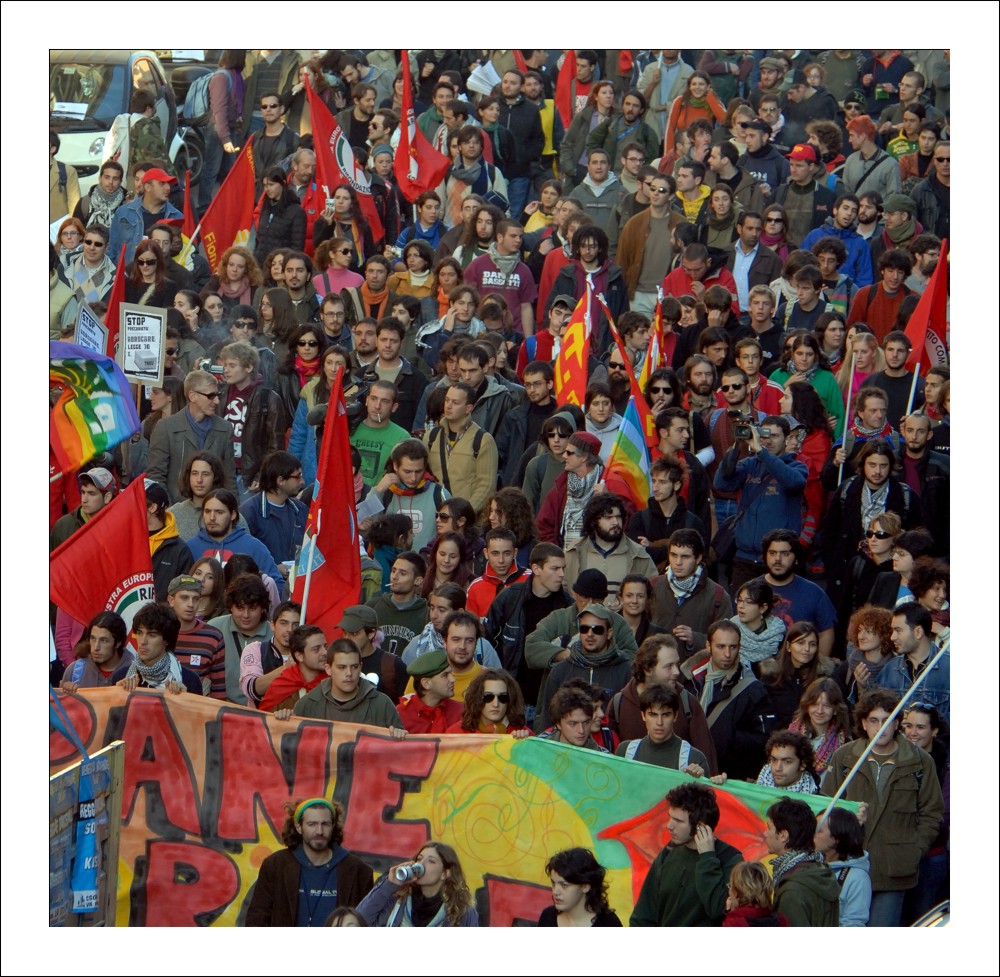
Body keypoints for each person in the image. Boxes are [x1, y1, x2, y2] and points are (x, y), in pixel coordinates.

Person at [821, 689, 943, 927]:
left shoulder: (919, 761)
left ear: (897, 723)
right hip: (848, 866)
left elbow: (932, 812)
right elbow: (825, 805)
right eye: (874, 721)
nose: (881, 727)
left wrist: (914, 850)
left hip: (894, 869)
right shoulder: (844, 757)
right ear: (864, 723)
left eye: (887, 720)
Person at [714, 415, 808, 594]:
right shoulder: (750, 465)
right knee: (742, 614)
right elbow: (722, 484)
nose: (768, 441)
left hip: (779, 560)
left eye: (774, 436)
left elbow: (794, 482)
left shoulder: (797, 467)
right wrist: (736, 446)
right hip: (745, 559)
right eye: (764, 435)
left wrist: (761, 451)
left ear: (787, 439)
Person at [245, 798, 374, 927]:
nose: (319, 831)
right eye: (312, 824)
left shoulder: (359, 871)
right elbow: (257, 920)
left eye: (325, 824)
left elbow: (368, 922)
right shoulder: (275, 866)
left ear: (333, 826)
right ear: (299, 827)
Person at [630, 782, 743, 927]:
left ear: (700, 826)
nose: (669, 825)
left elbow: (718, 910)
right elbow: (644, 914)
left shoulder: (730, 860)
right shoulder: (668, 852)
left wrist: (707, 858)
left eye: (678, 821)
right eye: (670, 817)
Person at [680, 620, 774, 780]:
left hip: (727, 776)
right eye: (720, 646)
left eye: (733, 647)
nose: (727, 654)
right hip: (686, 769)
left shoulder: (752, 689)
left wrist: (729, 736)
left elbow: (765, 740)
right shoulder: (687, 678)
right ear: (708, 646)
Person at [147, 370, 237, 504]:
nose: (217, 401)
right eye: (211, 396)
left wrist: (232, 511)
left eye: (217, 395)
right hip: (175, 511)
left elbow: (229, 478)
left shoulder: (225, 428)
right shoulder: (166, 427)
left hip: (214, 511)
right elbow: (156, 476)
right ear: (193, 396)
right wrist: (167, 510)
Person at [538, 603, 633, 729]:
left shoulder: (625, 670)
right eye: (584, 629)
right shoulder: (559, 671)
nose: (590, 634)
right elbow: (548, 721)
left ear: (609, 633)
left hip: (611, 745)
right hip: (567, 747)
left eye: (597, 629)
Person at [649, 529, 732, 658]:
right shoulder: (653, 586)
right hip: (656, 667)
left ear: (698, 558)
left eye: (685, 556)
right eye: (673, 555)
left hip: (695, 671)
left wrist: (696, 639)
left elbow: (727, 640)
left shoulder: (718, 595)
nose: (678, 562)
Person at [292, 638, 405, 733]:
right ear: (328, 669)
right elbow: (290, 746)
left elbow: (398, 753)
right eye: (341, 667)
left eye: (354, 667)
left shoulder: (382, 705)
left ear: (361, 667)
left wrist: (399, 736)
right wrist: (282, 720)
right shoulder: (308, 704)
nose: (349, 673)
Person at [357, 841, 478, 927]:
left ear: (445, 874)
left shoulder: (462, 913)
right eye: (419, 859)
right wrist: (390, 884)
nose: (421, 864)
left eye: (431, 861)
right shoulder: (395, 899)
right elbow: (358, 922)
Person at [186, 489, 283, 592]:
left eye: (219, 512)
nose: (212, 517)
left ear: (233, 515)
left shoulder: (253, 547)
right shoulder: (190, 547)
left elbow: (276, 585)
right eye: (207, 511)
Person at [758, 529, 837, 657]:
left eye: (785, 553)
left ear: (796, 559)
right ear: (765, 556)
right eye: (772, 553)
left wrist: (817, 667)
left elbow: (826, 631)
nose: (777, 559)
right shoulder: (750, 591)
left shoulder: (814, 593)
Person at [764, 797, 840, 927]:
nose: (765, 833)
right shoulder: (818, 870)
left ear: (783, 835)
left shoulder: (793, 890)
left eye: (769, 828)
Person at [616, 683, 711, 772]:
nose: (659, 722)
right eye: (653, 714)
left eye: (666, 715)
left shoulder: (694, 758)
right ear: (643, 715)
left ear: (675, 716)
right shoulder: (625, 752)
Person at [880, 602, 950, 723]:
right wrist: (862, 686)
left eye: (898, 630)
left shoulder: (949, 667)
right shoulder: (889, 669)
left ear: (918, 632)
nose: (892, 637)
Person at [112, 602, 202, 695]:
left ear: (166, 640)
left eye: (152, 635)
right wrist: (119, 695)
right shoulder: (121, 677)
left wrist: (184, 699)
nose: (143, 641)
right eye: (139, 633)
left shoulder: (189, 680)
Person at [813, 806, 872, 927]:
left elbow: (854, 924)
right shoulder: (809, 865)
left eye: (819, 830)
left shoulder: (857, 878)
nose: (812, 833)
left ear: (837, 838)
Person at [537, 848, 622, 927]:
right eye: (553, 883)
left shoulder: (608, 923)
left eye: (564, 885)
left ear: (585, 886)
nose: (555, 892)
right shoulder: (548, 917)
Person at [446, 668, 531, 736]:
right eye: (488, 697)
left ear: (510, 700)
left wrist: (522, 747)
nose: (496, 704)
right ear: (477, 698)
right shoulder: (455, 734)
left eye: (503, 697)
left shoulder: (524, 735)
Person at [60, 612, 131, 692]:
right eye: (93, 639)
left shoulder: (135, 672)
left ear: (118, 643)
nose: (96, 647)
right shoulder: (74, 672)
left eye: (103, 640)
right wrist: (67, 696)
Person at [396, 649, 463, 733]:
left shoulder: (460, 711)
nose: (453, 679)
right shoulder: (401, 715)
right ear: (426, 683)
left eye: (451, 674)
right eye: (445, 675)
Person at [537, 686, 608, 751]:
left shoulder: (605, 758)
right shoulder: (537, 748)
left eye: (586, 722)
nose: (581, 730)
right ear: (558, 724)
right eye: (573, 724)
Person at [722, 861, 790, 928]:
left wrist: (731, 914)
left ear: (737, 893)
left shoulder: (734, 924)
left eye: (731, 886)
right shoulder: (781, 920)